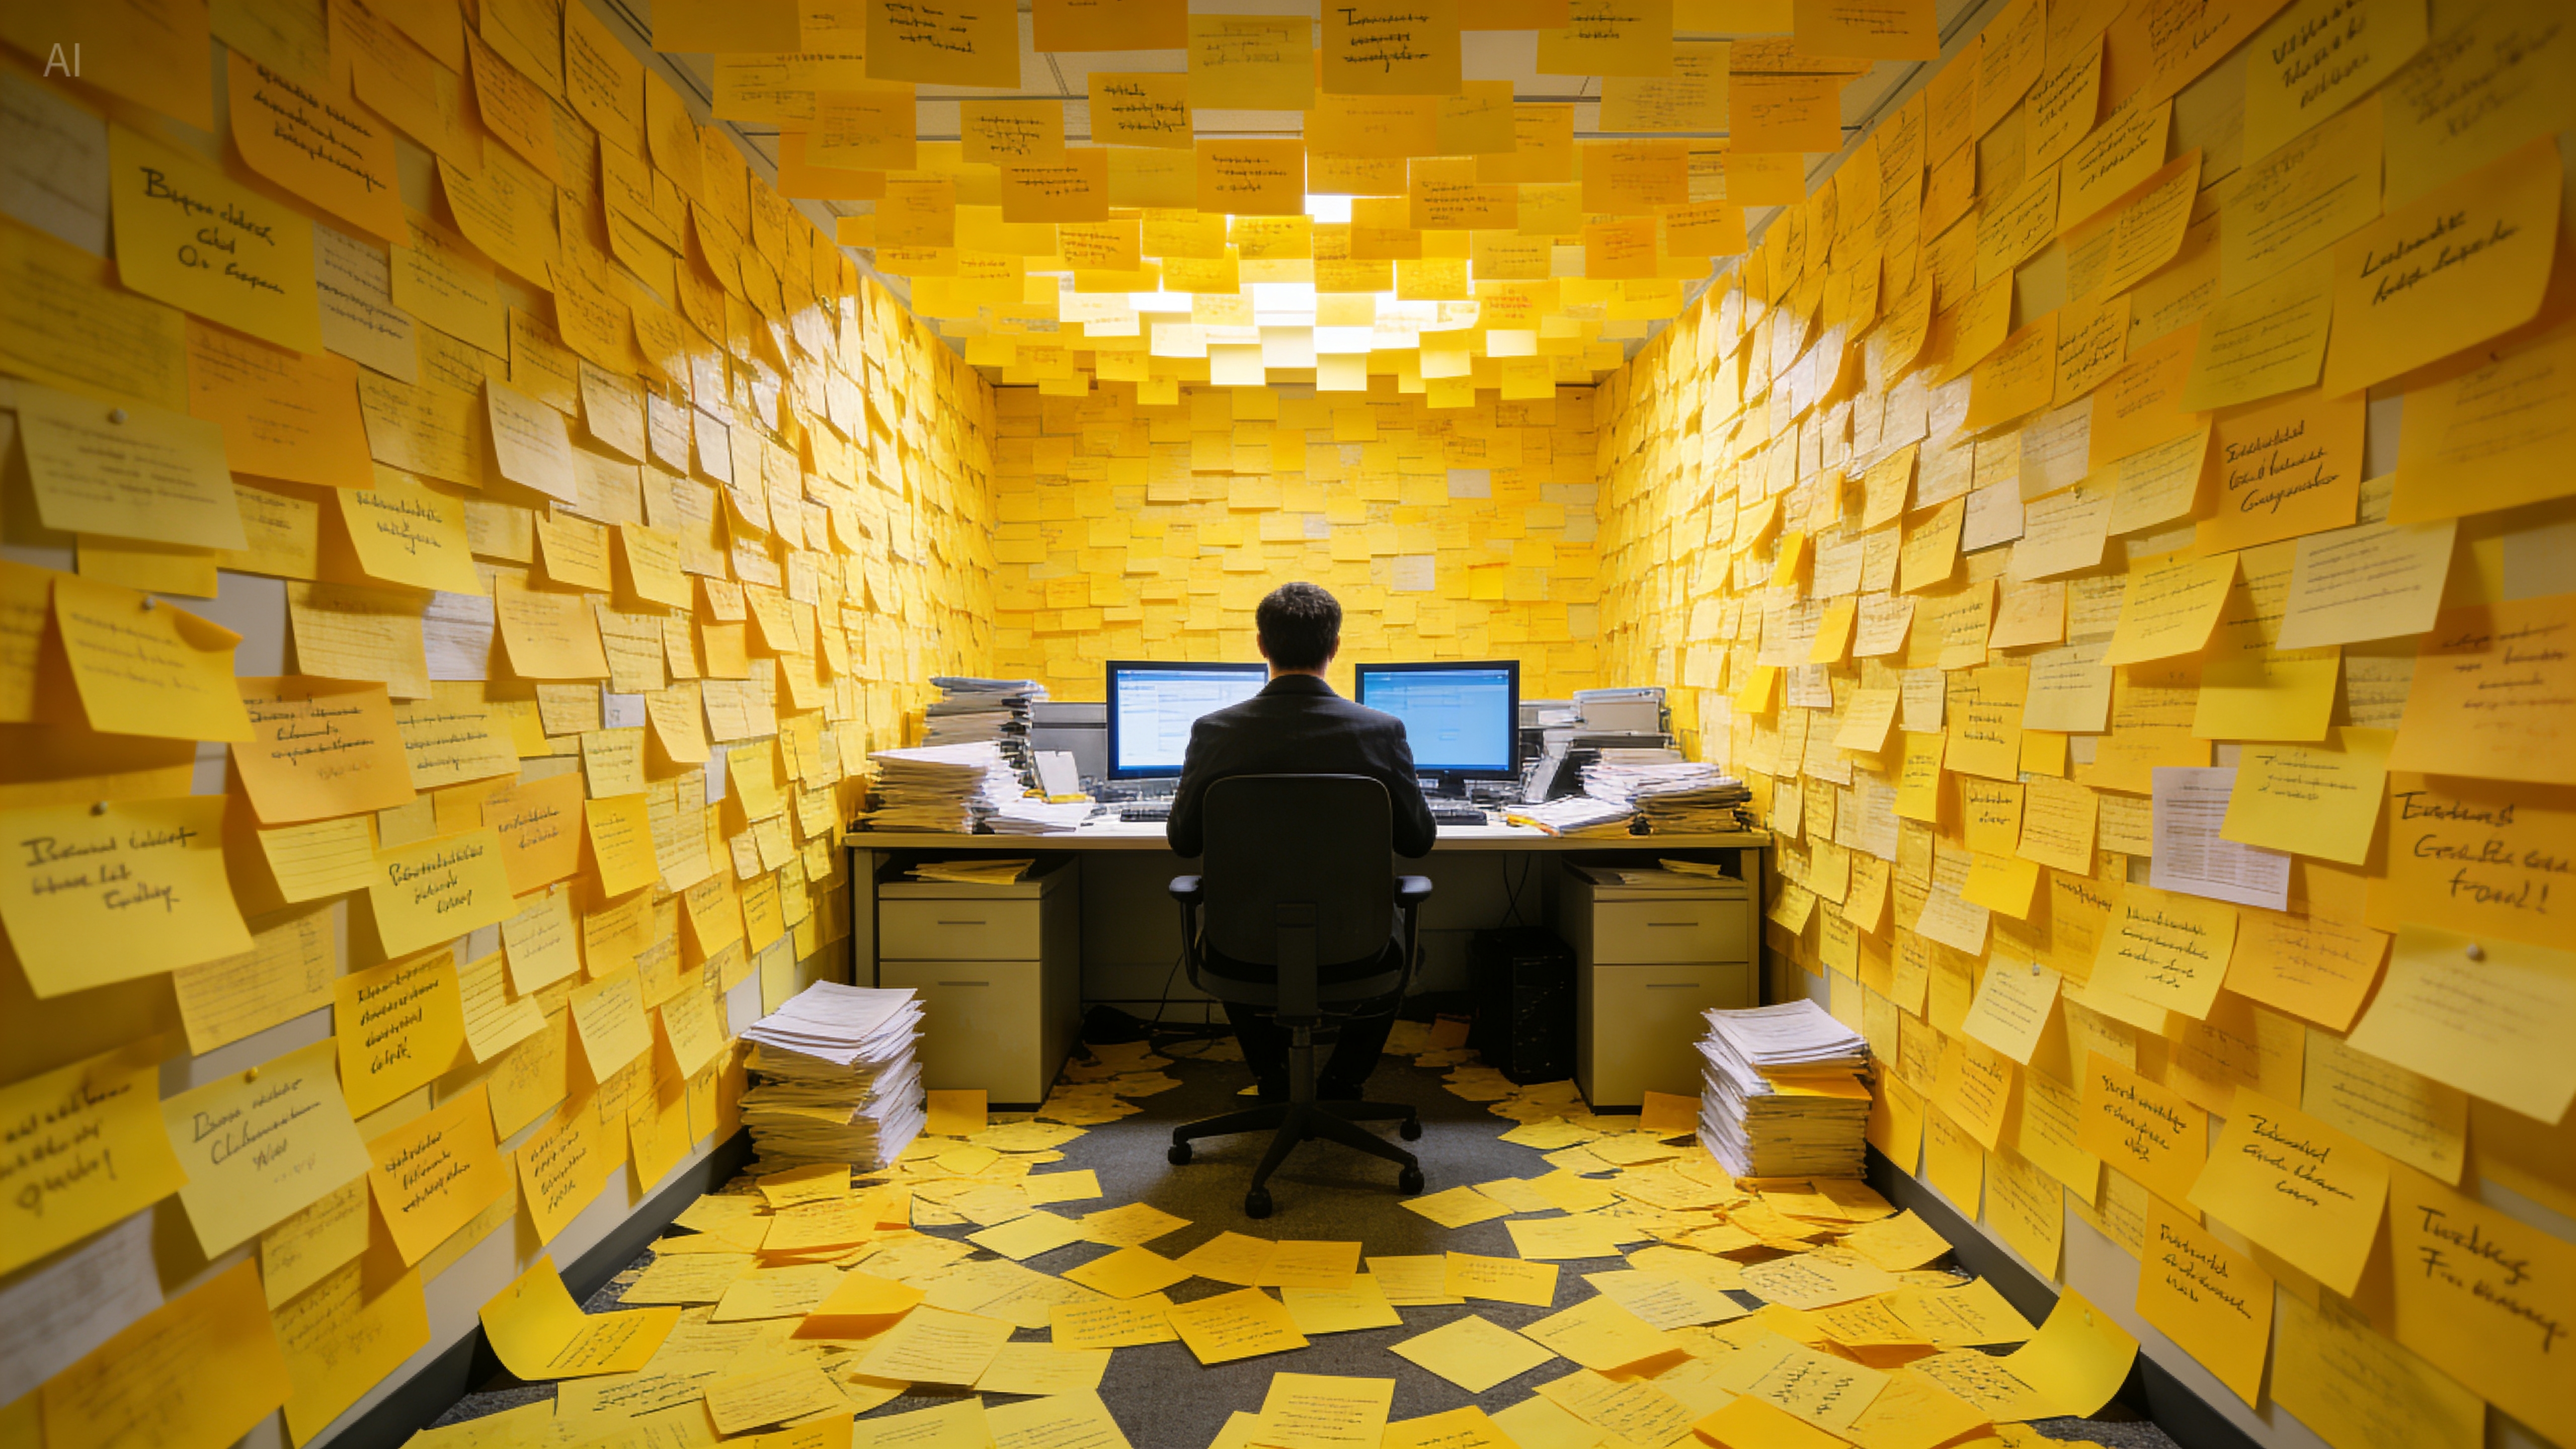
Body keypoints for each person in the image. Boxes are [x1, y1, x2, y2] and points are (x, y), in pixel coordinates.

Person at [1167, 581, 1435, 1100]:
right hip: (1359, 951)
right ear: (1334, 648)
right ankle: (1342, 1081)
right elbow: (1418, 841)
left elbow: (1183, 841)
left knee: (1229, 935)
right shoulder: (1380, 730)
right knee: (1404, 948)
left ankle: (1272, 1080)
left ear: (1262, 646)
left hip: (1240, 950)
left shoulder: (1213, 730)